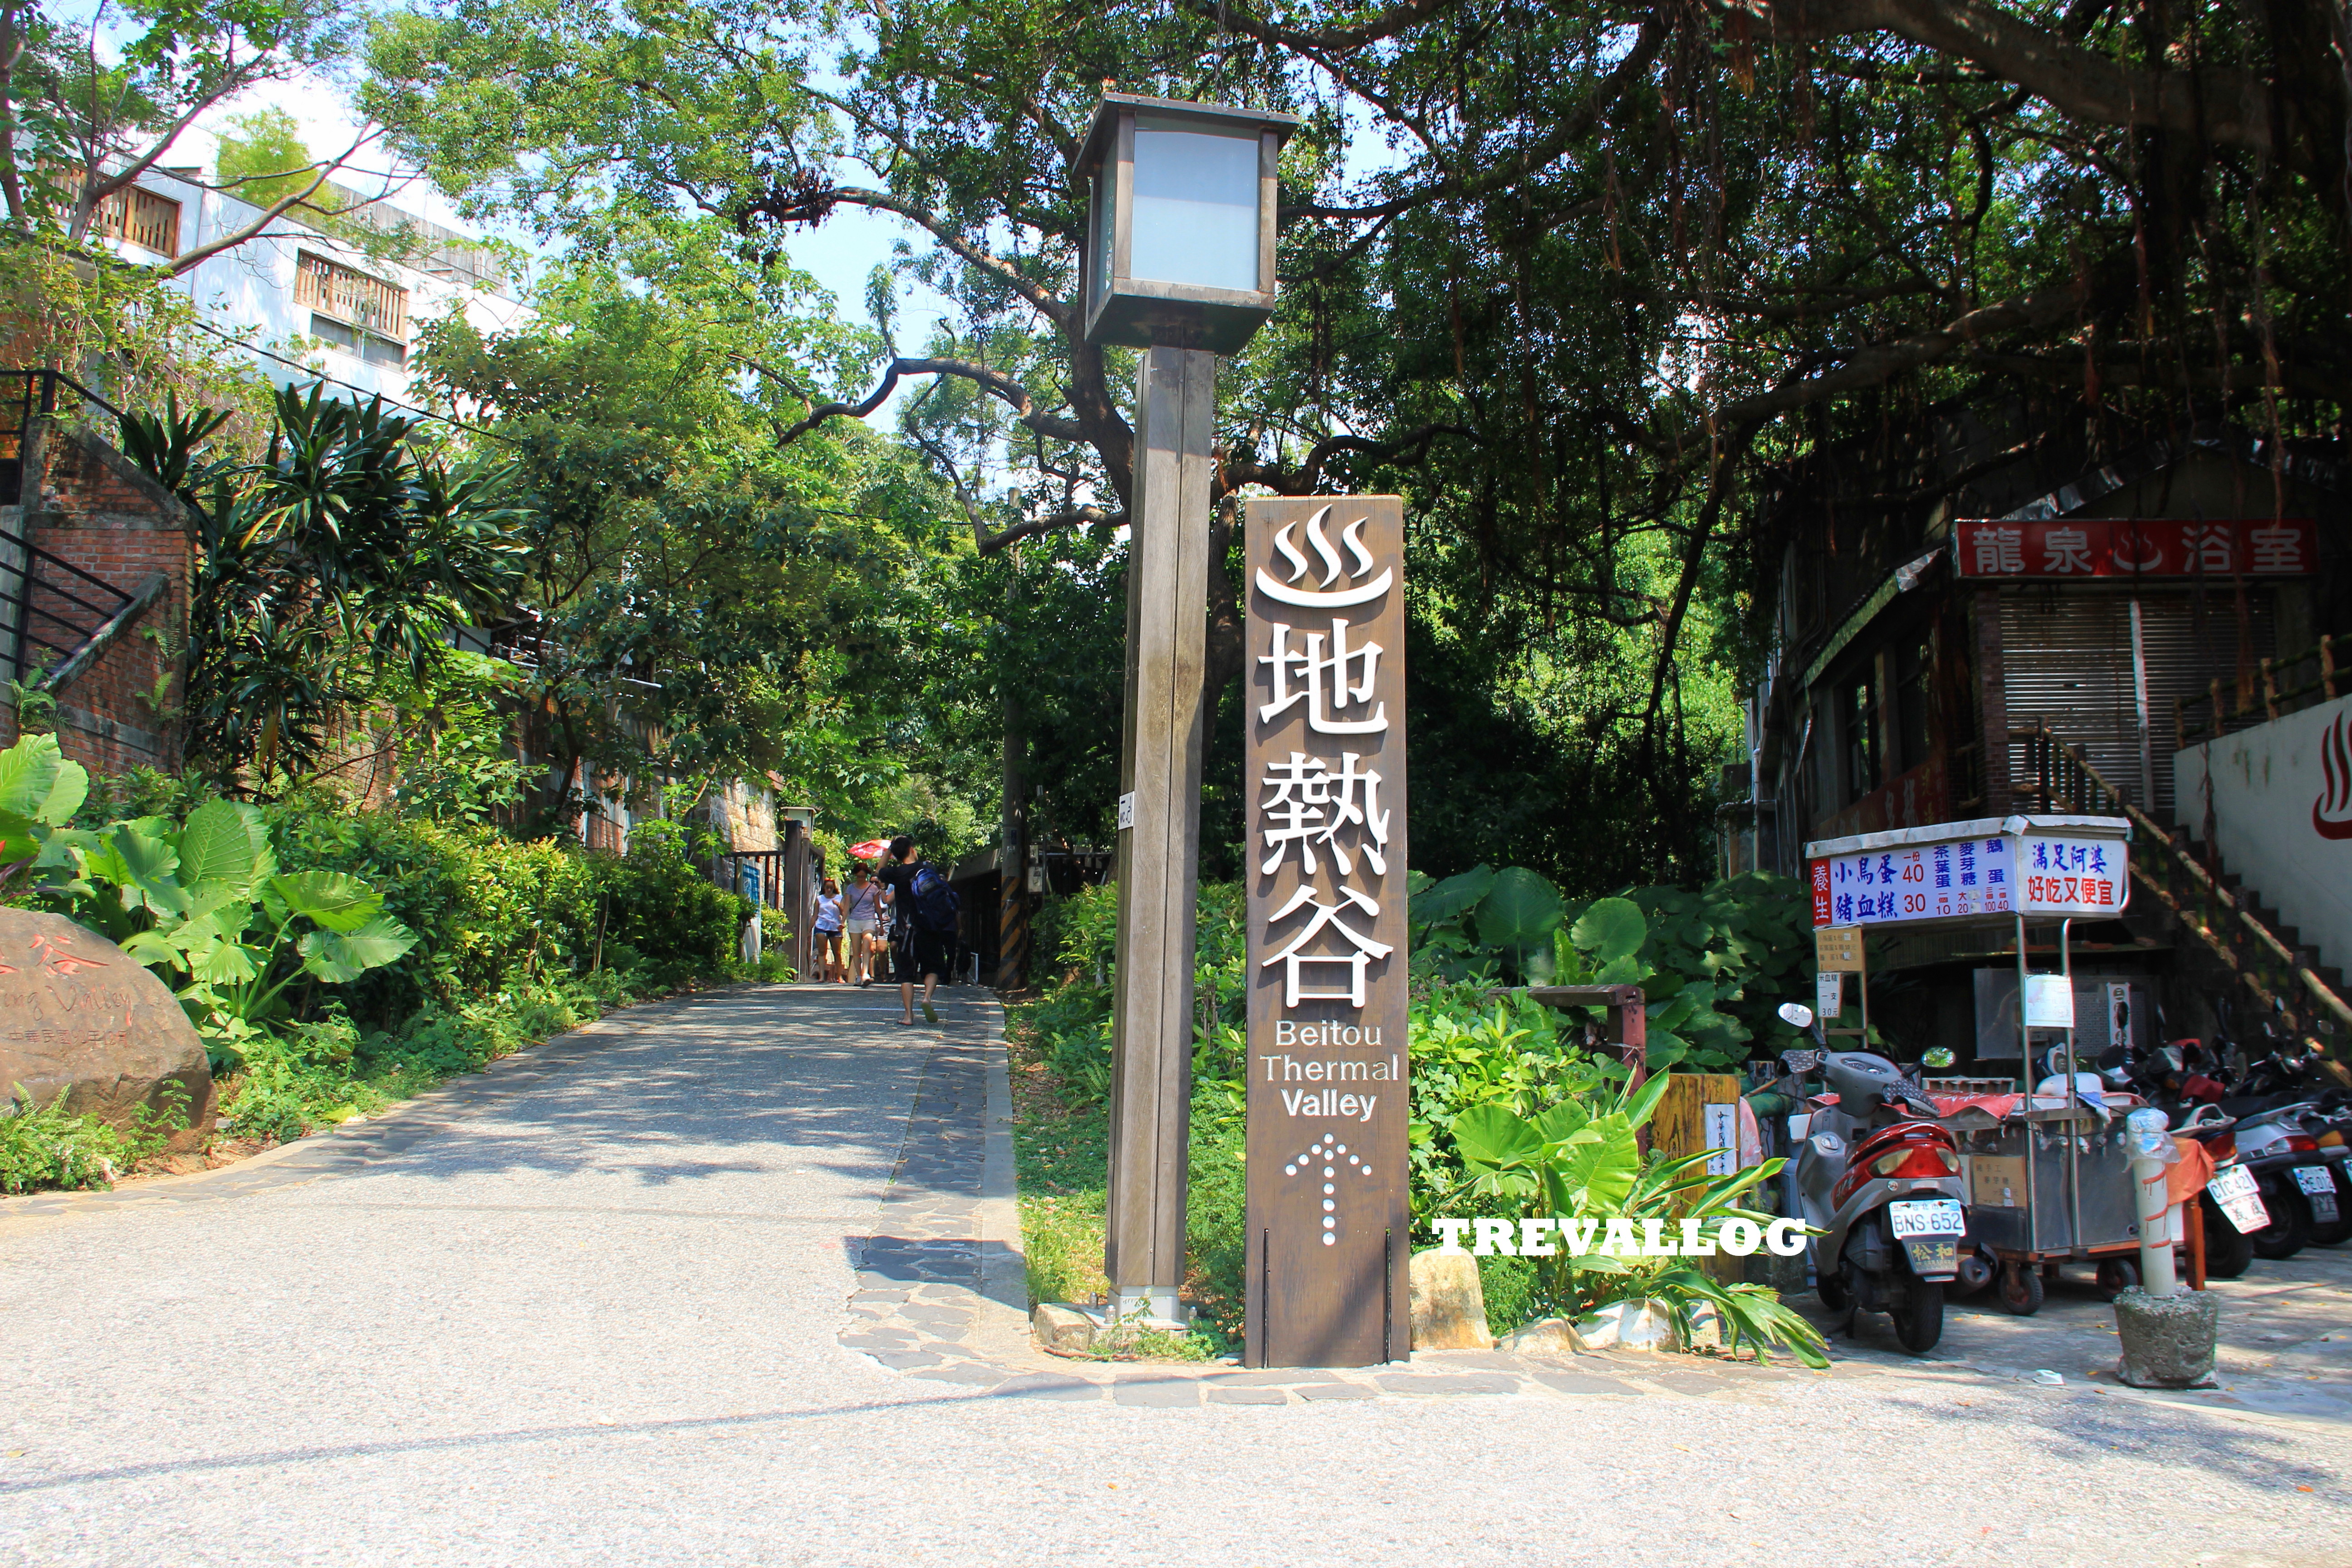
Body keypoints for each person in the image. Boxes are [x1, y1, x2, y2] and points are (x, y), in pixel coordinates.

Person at [876, 835, 957, 1025]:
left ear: (896, 856)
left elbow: (879, 871)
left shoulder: (897, 873)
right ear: (912, 849)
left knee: (906, 973)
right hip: (930, 927)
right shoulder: (928, 869)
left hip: (907, 930)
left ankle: (908, 1016)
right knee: (933, 968)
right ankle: (927, 997)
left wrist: (889, 849)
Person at [841, 864, 882, 985]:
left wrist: (880, 922)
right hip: (854, 920)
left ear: (867, 876)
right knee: (856, 950)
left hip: (869, 919)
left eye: (863, 877)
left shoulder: (873, 889)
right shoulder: (850, 888)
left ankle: (865, 973)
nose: (861, 879)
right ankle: (859, 976)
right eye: (859, 876)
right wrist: (843, 921)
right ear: (855, 875)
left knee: (867, 943)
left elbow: (877, 906)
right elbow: (847, 906)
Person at [813, 877, 846, 983]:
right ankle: (822, 977)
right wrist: (810, 930)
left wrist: (839, 905)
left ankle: (839, 977)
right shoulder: (820, 899)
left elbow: (844, 913)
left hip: (835, 927)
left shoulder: (839, 898)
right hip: (821, 925)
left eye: (831, 888)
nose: (829, 890)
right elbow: (815, 915)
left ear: (834, 888)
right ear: (824, 888)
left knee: (837, 952)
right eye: (827, 888)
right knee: (822, 952)